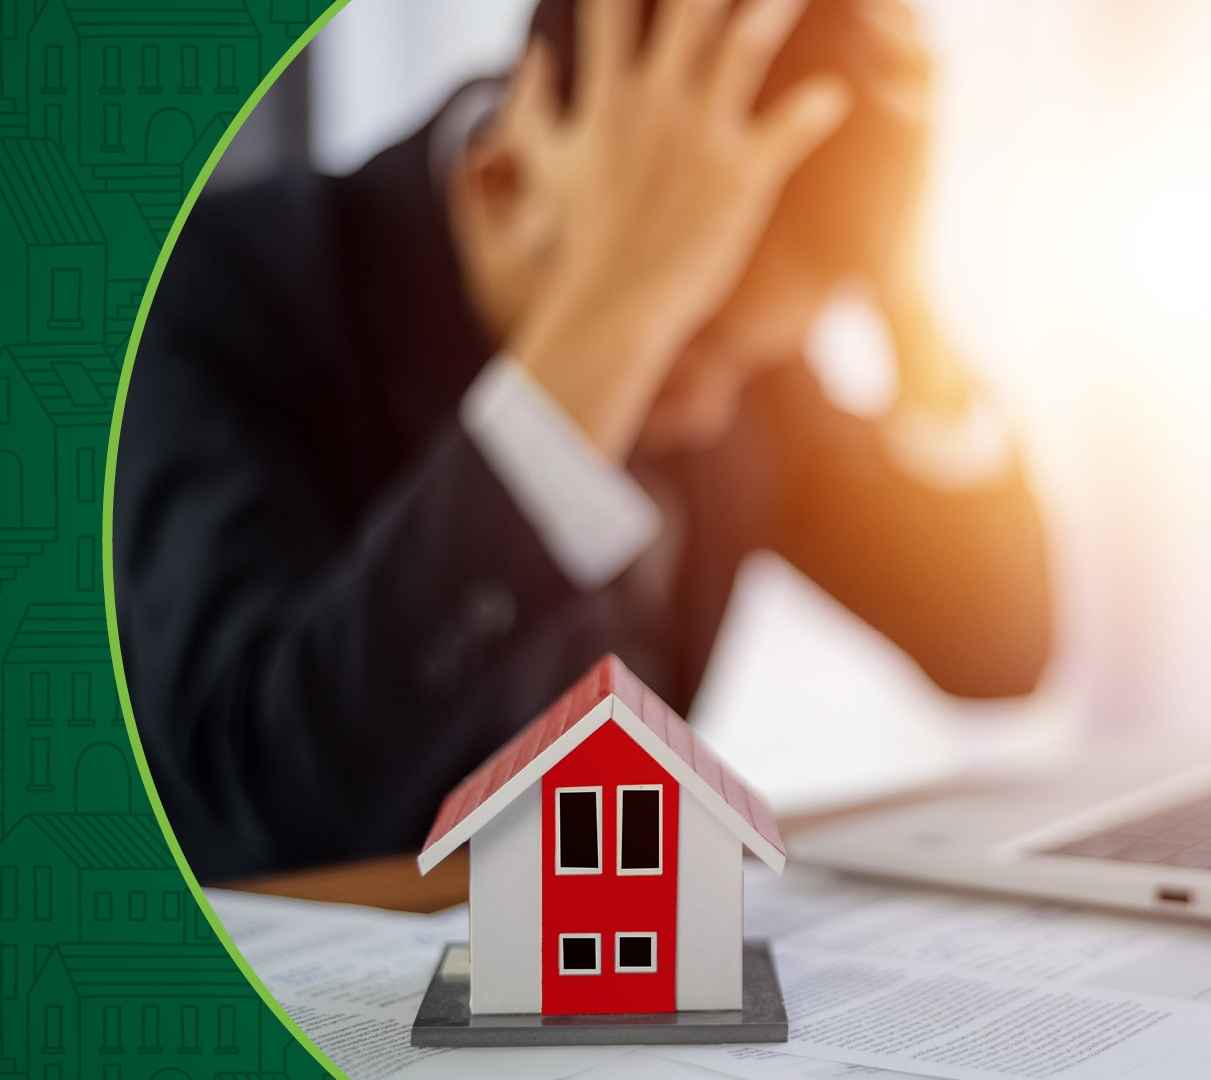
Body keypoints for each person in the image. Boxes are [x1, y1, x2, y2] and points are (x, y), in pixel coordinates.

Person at [115, 0, 1052, 882]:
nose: (709, 414)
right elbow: (266, 786)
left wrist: (904, 303)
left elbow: (997, 644)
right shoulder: (210, 291)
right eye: (677, 345)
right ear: (499, 179)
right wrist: (614, 325)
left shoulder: (738, 350)